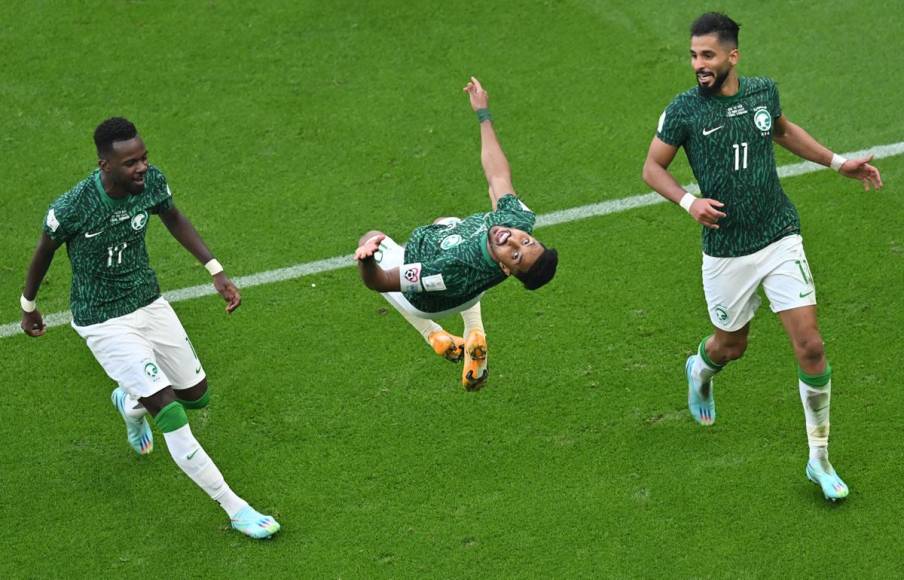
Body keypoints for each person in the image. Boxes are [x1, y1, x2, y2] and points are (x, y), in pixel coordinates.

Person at [642, 13, 883, 501]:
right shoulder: (684, 110)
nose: (698, 65)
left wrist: (838, 163)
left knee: (811, 346)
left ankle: (819, 459)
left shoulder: (762, 93)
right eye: (693, 55)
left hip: (779, 234)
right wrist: (689, 202)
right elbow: (652, 167)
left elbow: (783, 130)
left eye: (707, 55)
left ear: (733, 56)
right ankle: (701, 369)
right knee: (731, 346)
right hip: (727, 251)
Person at [20, 117, 280, 538]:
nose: (141, 167)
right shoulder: (73, 207)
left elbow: (173, 216)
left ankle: (130, 404)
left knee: (196, 395)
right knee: (172, 412)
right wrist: (28, 305)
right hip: (103, 320)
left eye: (143, 158)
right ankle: (236, 509)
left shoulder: (151, 182)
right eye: (130, 163)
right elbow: (43, 253)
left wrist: (215, 270)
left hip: (149, 302)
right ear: (104, 164)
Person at [355, 77, 559, 390]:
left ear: (507, 268)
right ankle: (475, 330)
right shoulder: (516, 222)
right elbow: (497, 174)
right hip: (466, 285)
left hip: (428, 294)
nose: (513, 239)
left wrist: (366, 259)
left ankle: (432, 334)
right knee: (448, 220)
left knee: (371, 237)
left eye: (516, 254)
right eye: (526, 241)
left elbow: (379, 282)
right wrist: (483, 113)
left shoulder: (449, 270)